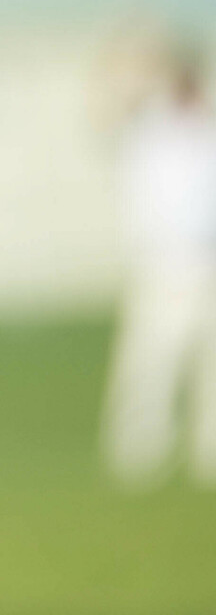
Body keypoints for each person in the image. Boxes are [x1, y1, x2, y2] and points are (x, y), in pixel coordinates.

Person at [102, 48, 216, 486]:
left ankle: (208, 451)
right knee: (151, 358)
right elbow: (110, 109)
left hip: (207, 256)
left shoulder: (207, 131)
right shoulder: (150, 131)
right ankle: (139, 452)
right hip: (162, 259)